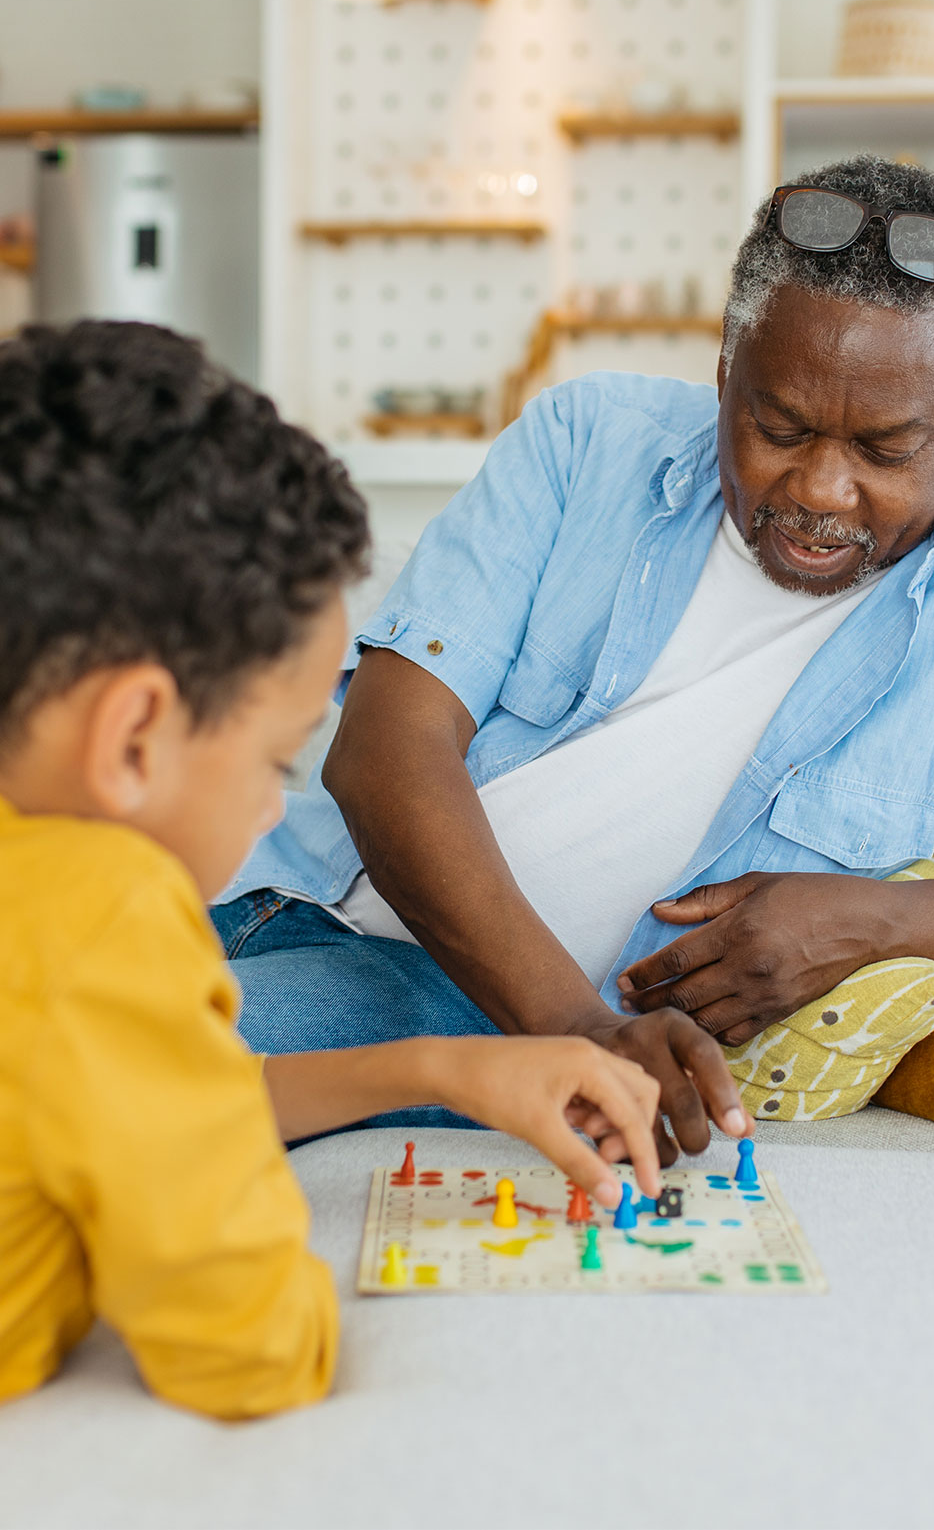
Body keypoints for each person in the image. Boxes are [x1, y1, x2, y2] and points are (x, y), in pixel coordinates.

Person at [0, 320, 753, 1421]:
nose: (273, 804)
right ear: (132, 739)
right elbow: (246, 1348)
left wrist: (441, 1070)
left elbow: (139, 1096)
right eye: (271, 759)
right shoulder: (107, 911)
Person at [214, 153, 934, 1152]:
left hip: (420, 992)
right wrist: (582, 1032)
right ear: (726, 374)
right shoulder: (590, 437)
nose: (820, 489)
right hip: (296, 895)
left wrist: (878, 920)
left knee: (80, 1077)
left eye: (886, 451)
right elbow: (383, 752)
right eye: (777, 426)